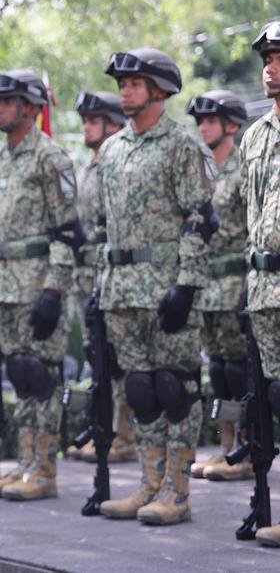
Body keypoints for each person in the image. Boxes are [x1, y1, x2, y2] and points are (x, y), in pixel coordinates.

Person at [96, 48, 216, 526]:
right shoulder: (111, 149)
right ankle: (149, 483)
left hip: (166, 287)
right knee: (140, 391)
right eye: (121, 83)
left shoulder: (182, 145)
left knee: (175, 387)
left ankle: (178, 492)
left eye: (134, 83)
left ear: (159, 89)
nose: (124, 90)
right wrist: (98, 281)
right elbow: (103, 225)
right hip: (121, 288)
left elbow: (201, 219)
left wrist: (186, 284)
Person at [0, 70, 80, 502]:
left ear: (32, 106)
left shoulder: (50, 158)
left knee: (42, 377)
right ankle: (25, 465)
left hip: (37, 284)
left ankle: (45, 470)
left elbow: (68, 232)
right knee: (20, 378)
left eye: (9, 100)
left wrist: (54, 290)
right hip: (3, 284)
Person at [65, 91, 136, 464]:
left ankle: (123, 435)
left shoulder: (117, 164)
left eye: (94, 120)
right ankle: (103, 428)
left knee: (117, 356)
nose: (86, 127)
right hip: (84, 274)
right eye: (85, 121)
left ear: (113, 124)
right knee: (97, 355)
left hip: (111, 271)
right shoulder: (87, 168)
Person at [183, 90, 250, 482]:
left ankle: (246, 447)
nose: (202, 127)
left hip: (236, 283)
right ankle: (226, 448)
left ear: (232, 125)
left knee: (241, 371)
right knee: (220, 372)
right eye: (199, 121)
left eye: (210, 120)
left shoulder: (244, 168)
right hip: (207, 287)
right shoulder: (201, 172)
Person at [238, 21, 280, 547]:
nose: (270, 68)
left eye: (279, 57)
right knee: (275, 398)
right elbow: (249, 216)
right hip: (266, 288)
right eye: (267, 58)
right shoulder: (254, 136)